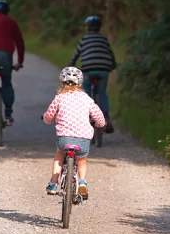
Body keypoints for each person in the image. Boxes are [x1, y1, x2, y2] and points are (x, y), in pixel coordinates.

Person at [43, 67, 105, 198]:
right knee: (81, 160)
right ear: (80, 83)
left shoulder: (59, 98)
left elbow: (48, 116)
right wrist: (100, 124)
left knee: (59, 155)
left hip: (64, 138)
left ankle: (54, 183)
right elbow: (99, 116)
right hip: (83, 139)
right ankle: (82, 182)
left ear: (62, 82)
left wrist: (47, 119)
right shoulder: (87, 99)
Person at [69, 15, 116, 133]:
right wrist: (112, 65)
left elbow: (76, 55)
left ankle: (89, 115)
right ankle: (106, 119)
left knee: (86, 91)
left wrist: (71, 66)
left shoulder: (84, 40)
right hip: (103, 69)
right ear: (99, 27)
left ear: (88, 28)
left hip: (88, 69)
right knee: (102, 93)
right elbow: (110, 54)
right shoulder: (104, 39)